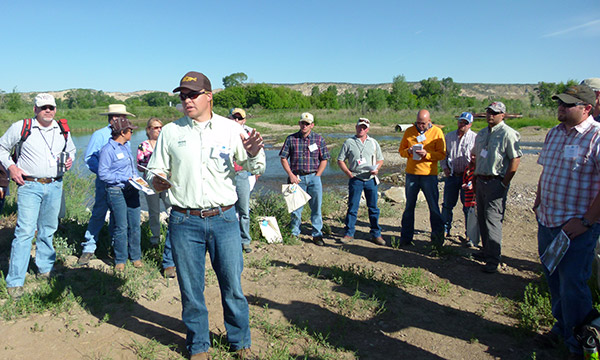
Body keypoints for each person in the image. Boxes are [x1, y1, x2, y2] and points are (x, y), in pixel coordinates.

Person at [147, 71, 265, 359]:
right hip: (184, 220)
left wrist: (251, 155)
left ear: (208, 97)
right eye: (183, 95)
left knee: (232, 286)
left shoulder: (230, 129)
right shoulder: (172, 132)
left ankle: (240, 342)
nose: (186, 100)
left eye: (192, 94)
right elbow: (154, 170)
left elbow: (256, 166)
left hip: (224, 219)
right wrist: (157, 180)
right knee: (191, 288)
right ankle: (199, 345)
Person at [533, 85, 600, 358]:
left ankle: (582, 343)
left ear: (587, 108)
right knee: (554, 280)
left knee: (573, 284)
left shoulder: (596, 136)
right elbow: (546, 171)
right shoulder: (554, 133)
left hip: (576, 229)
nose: (561, 107)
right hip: (547, 222)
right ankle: (563, 327)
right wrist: (538, 200)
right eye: (560, 103)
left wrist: (585, 221)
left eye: (568, 104)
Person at [0, 93, 76, 299]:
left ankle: (45, 269)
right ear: (35, 109)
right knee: (25, 231)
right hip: (29, 185)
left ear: (55, 109)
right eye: (43, 107)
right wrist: (12, 168)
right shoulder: (22, 127)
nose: (48, 110)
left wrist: (69, 160)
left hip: (55, 185)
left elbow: (72, 150)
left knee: (48, 229)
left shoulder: (62, 129)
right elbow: (1, 147)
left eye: (51, 107)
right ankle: (15, 281)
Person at [78, 104, 135, 265]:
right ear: (112, 117)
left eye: (124, 116)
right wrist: (107, 175)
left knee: (118, 217)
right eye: (119, 116)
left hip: (123, 185)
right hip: (105, 183)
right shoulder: (100, 135)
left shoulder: (126, 134)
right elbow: (89, 159)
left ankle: (114, 247)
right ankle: (89, 247)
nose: (122, 119)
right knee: (99, 213)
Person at [472, 101, 522, 273]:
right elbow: (476, 156)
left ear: (503, 115)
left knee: (492, 219)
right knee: (481, 217)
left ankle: (493, 259)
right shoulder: (482, 133)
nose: (490, 115)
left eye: (494, 112)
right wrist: (474, 176)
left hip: (496, 181)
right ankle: (486, 252)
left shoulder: (508, 133)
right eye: (488, 112)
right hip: (480, 180)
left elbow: (515, 159)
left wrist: (504, 183)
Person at [279, 112, 330, 246]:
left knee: (316, 209)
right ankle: (294, 233)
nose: (304, 125)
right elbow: (283, 158)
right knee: (296, 209)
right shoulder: (291, 139)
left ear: (312, 125)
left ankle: (317, 234)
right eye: (302, 123)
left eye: (307, 124)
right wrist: (290, 174)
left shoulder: (319, 139)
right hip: (296, 179)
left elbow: (324, 159)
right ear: (299, 123)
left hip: (314, 178)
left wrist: (318, 175)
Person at [398, 109, 446, 247]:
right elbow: (401, 151)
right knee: (409, 207)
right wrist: (409, 152)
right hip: (412, 175)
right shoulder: (409, 131)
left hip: (429, 176)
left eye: (423, 123)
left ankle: (437, 241)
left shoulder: (437, 132)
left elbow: (442, 154)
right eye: (418, 123)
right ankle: (406, 239)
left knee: (433, 208)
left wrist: (427, 155)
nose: (420, 126)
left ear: (429, 121)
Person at [98, 117, 142, 272]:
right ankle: (120, 259)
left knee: (135, 224)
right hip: (116, 191)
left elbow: (131, 168)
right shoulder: (108, 150)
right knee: (121, 226)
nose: (132, 132)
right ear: (122, 132)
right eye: (130, 130)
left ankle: (136, 257)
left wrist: (138, 180)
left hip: (132, 190)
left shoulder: (126, 146)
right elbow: (103, 174)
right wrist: (124, 178)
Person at [137, 117, 175, 277]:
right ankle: (155, 238)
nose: (158, 130)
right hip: (151, 183)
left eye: (160, 127)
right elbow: (140, 165)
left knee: (172, 208)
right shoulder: (143, 145)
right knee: (153, 211)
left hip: (167, 182)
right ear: (148, 130)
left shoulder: (166, 143)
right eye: (155, 127)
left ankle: (174, 235)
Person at [337, 118, 385, 245]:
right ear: (356, 127)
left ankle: (376, 234)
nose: (361, 129)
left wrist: (377, 169)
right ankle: (349, 233)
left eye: (364, 127)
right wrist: (348, 173)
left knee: (373, 208)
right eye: (359, 127)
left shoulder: (373, 142)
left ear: (368, 129)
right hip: (356, 179)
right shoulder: (349, 142)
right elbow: (340, 160)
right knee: (352, 207)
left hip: (371, 179)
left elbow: (380, 160)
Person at [440, 112, 476, 238]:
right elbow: (443, 154)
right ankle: (444, 230)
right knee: (447, 205)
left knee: (468, 206)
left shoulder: (475, 138)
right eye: (461, 121)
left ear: (470, 124)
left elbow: (478, 158)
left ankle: (470, 234)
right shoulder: (449, 136)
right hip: (452, 175)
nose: (462, 124)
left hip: (467, 178)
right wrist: (444, 168)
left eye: (465, 123)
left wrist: (473, 174)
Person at [228, 108, 256, 253]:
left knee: (244, 210)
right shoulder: (223, 132)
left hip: (243, 174)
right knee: (227, 209)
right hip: (226, 175)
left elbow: (258, 155)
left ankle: (245, 240)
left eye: (239, 118)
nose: (236, 121)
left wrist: (256, 173)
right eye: (234, 117)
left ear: (244, 120)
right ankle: (230, 240)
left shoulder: (250, 133)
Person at [461, 155, 479, 247]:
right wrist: (464, 185)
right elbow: (464, 180)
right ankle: (470, 238)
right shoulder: (468, 168)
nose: (473, 157)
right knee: (469, 218)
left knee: (478, 221)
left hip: (477, 199)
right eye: (471, 155)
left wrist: (474, 185)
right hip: (468, 197)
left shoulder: (480, 168)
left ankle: (477, 240)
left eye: (475, 155)